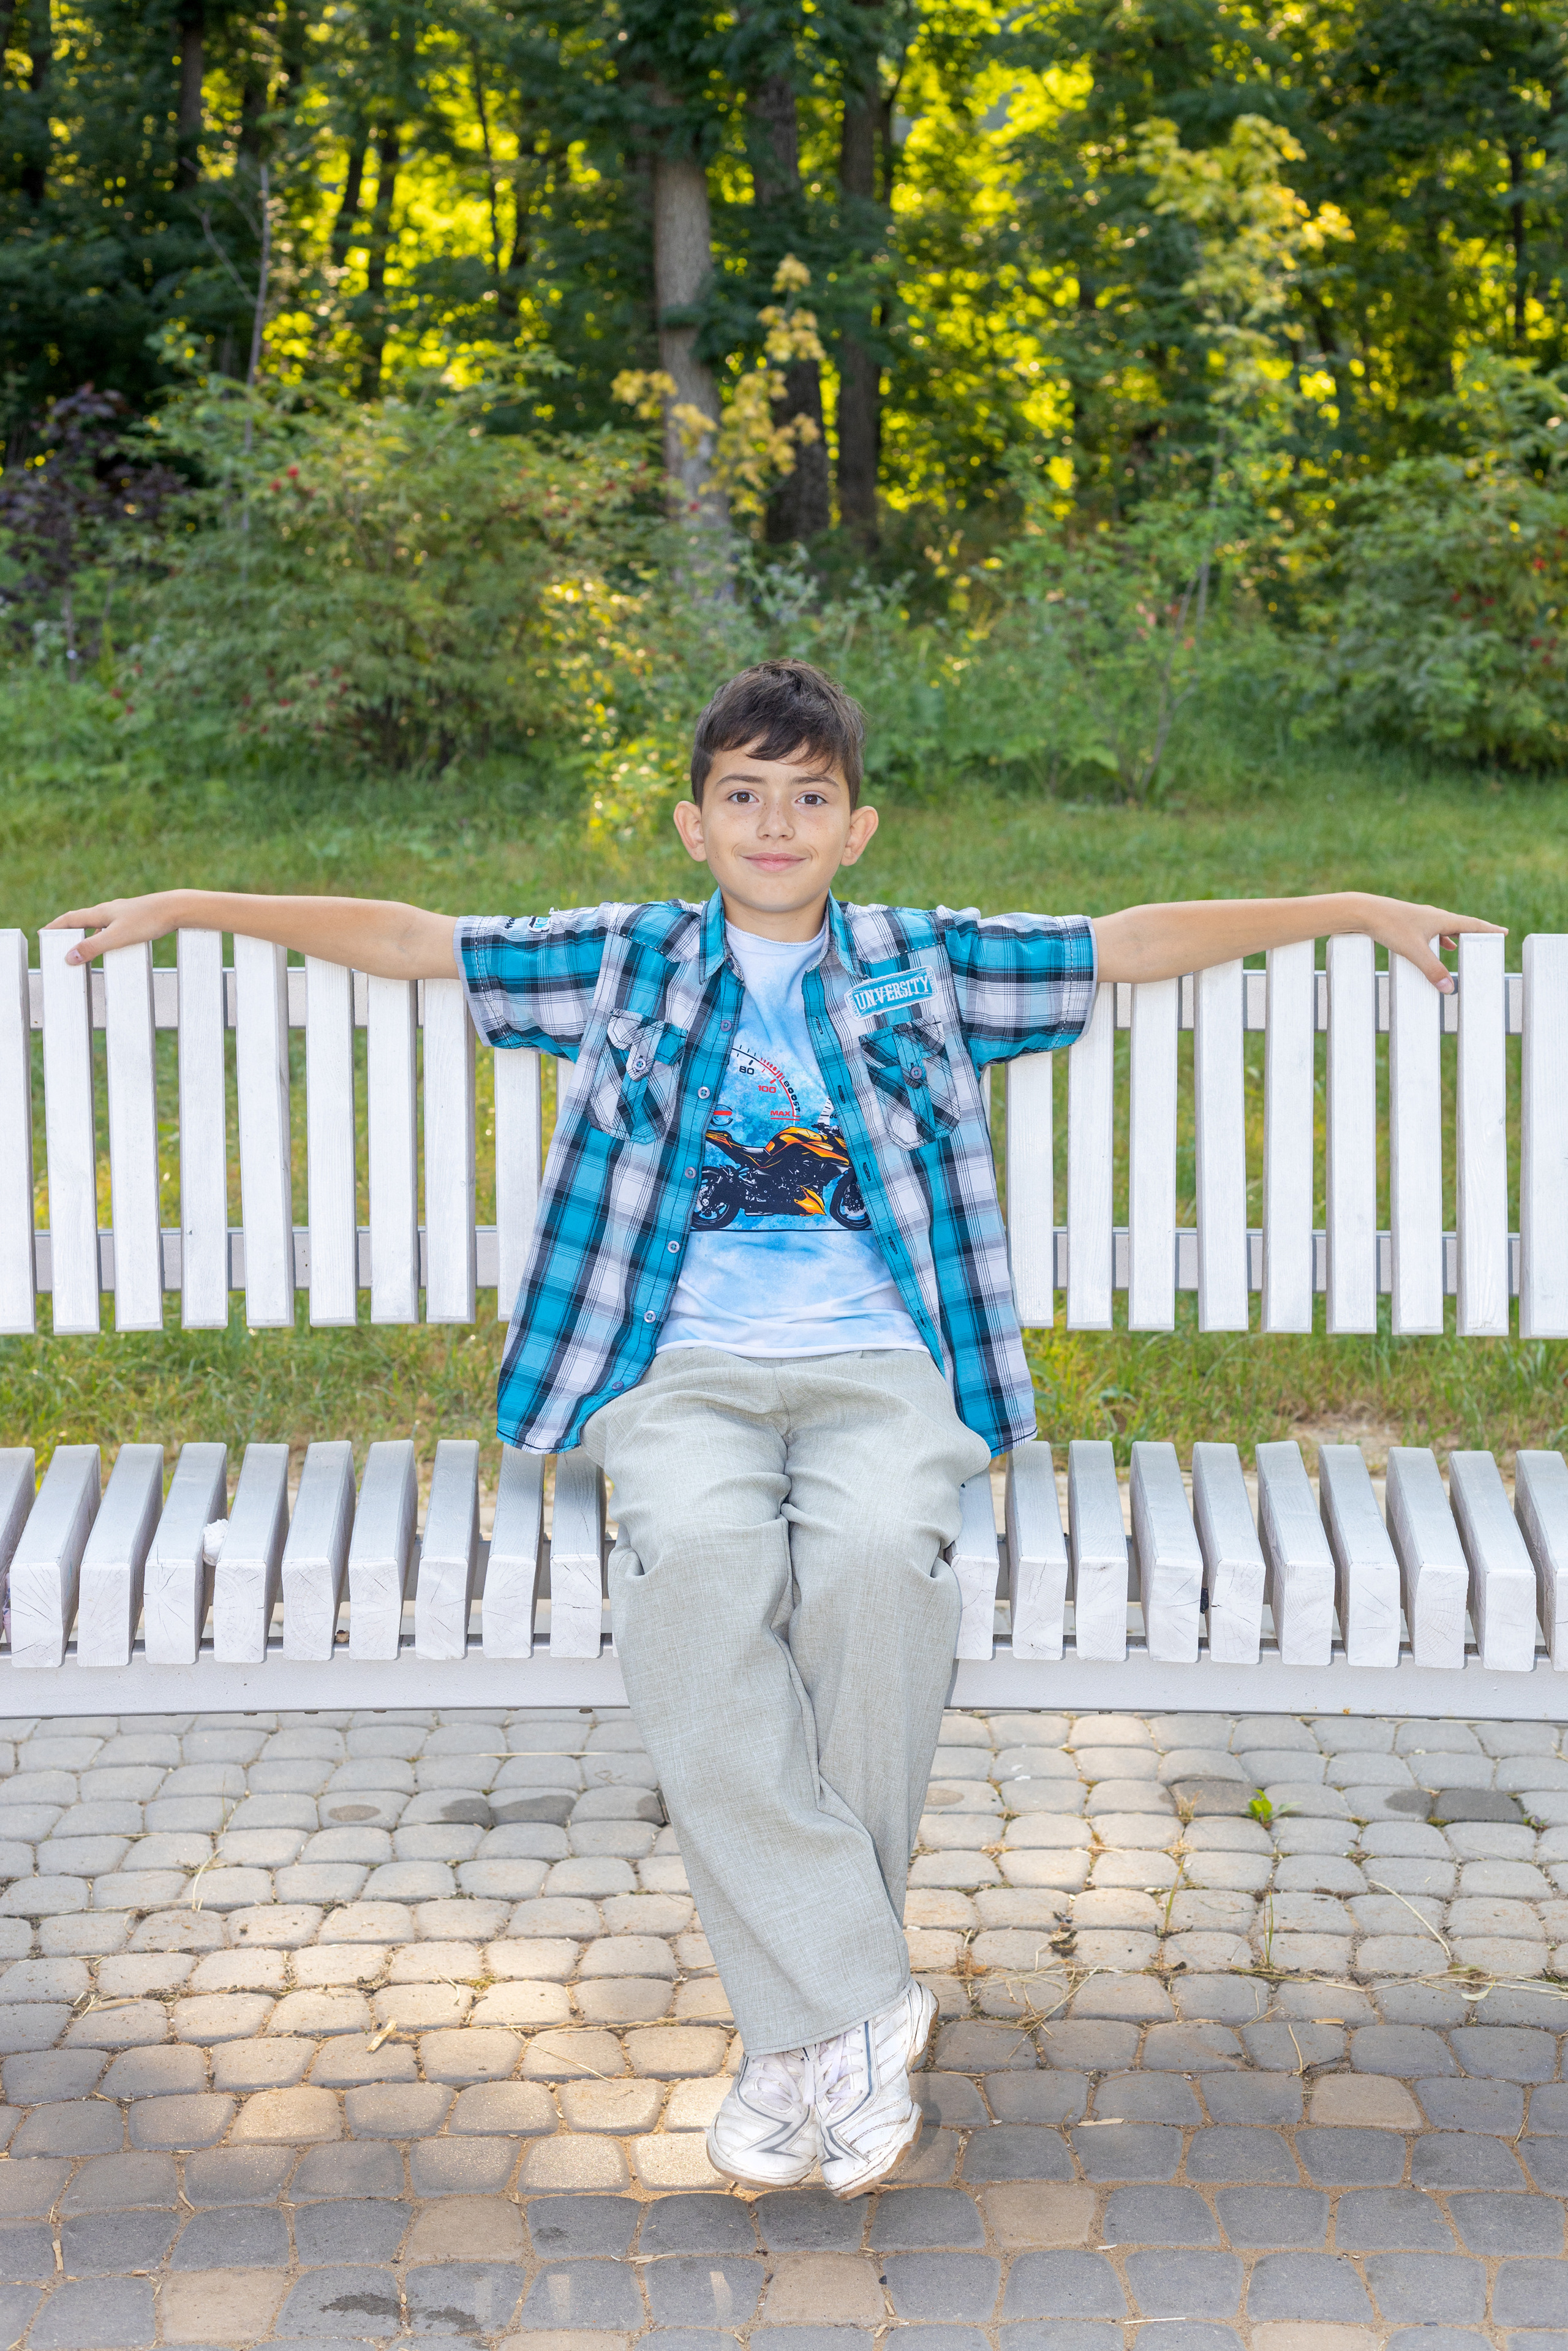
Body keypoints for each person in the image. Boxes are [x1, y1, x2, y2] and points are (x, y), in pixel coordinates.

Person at [49, 657, 1501, 2200]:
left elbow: (1129, 942)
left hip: (883, 1364)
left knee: (881, 1558)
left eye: (808, 797)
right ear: (694, 821)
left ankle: (797, 2032)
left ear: (856, 826)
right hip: (675, 1371)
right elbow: (415, 941)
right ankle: (854, 2002)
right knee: (694, 1572)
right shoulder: (622, 962)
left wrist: (1342, 902)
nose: (774, 821)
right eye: (742, 794)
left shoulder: (919, 966)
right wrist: (199, 896)